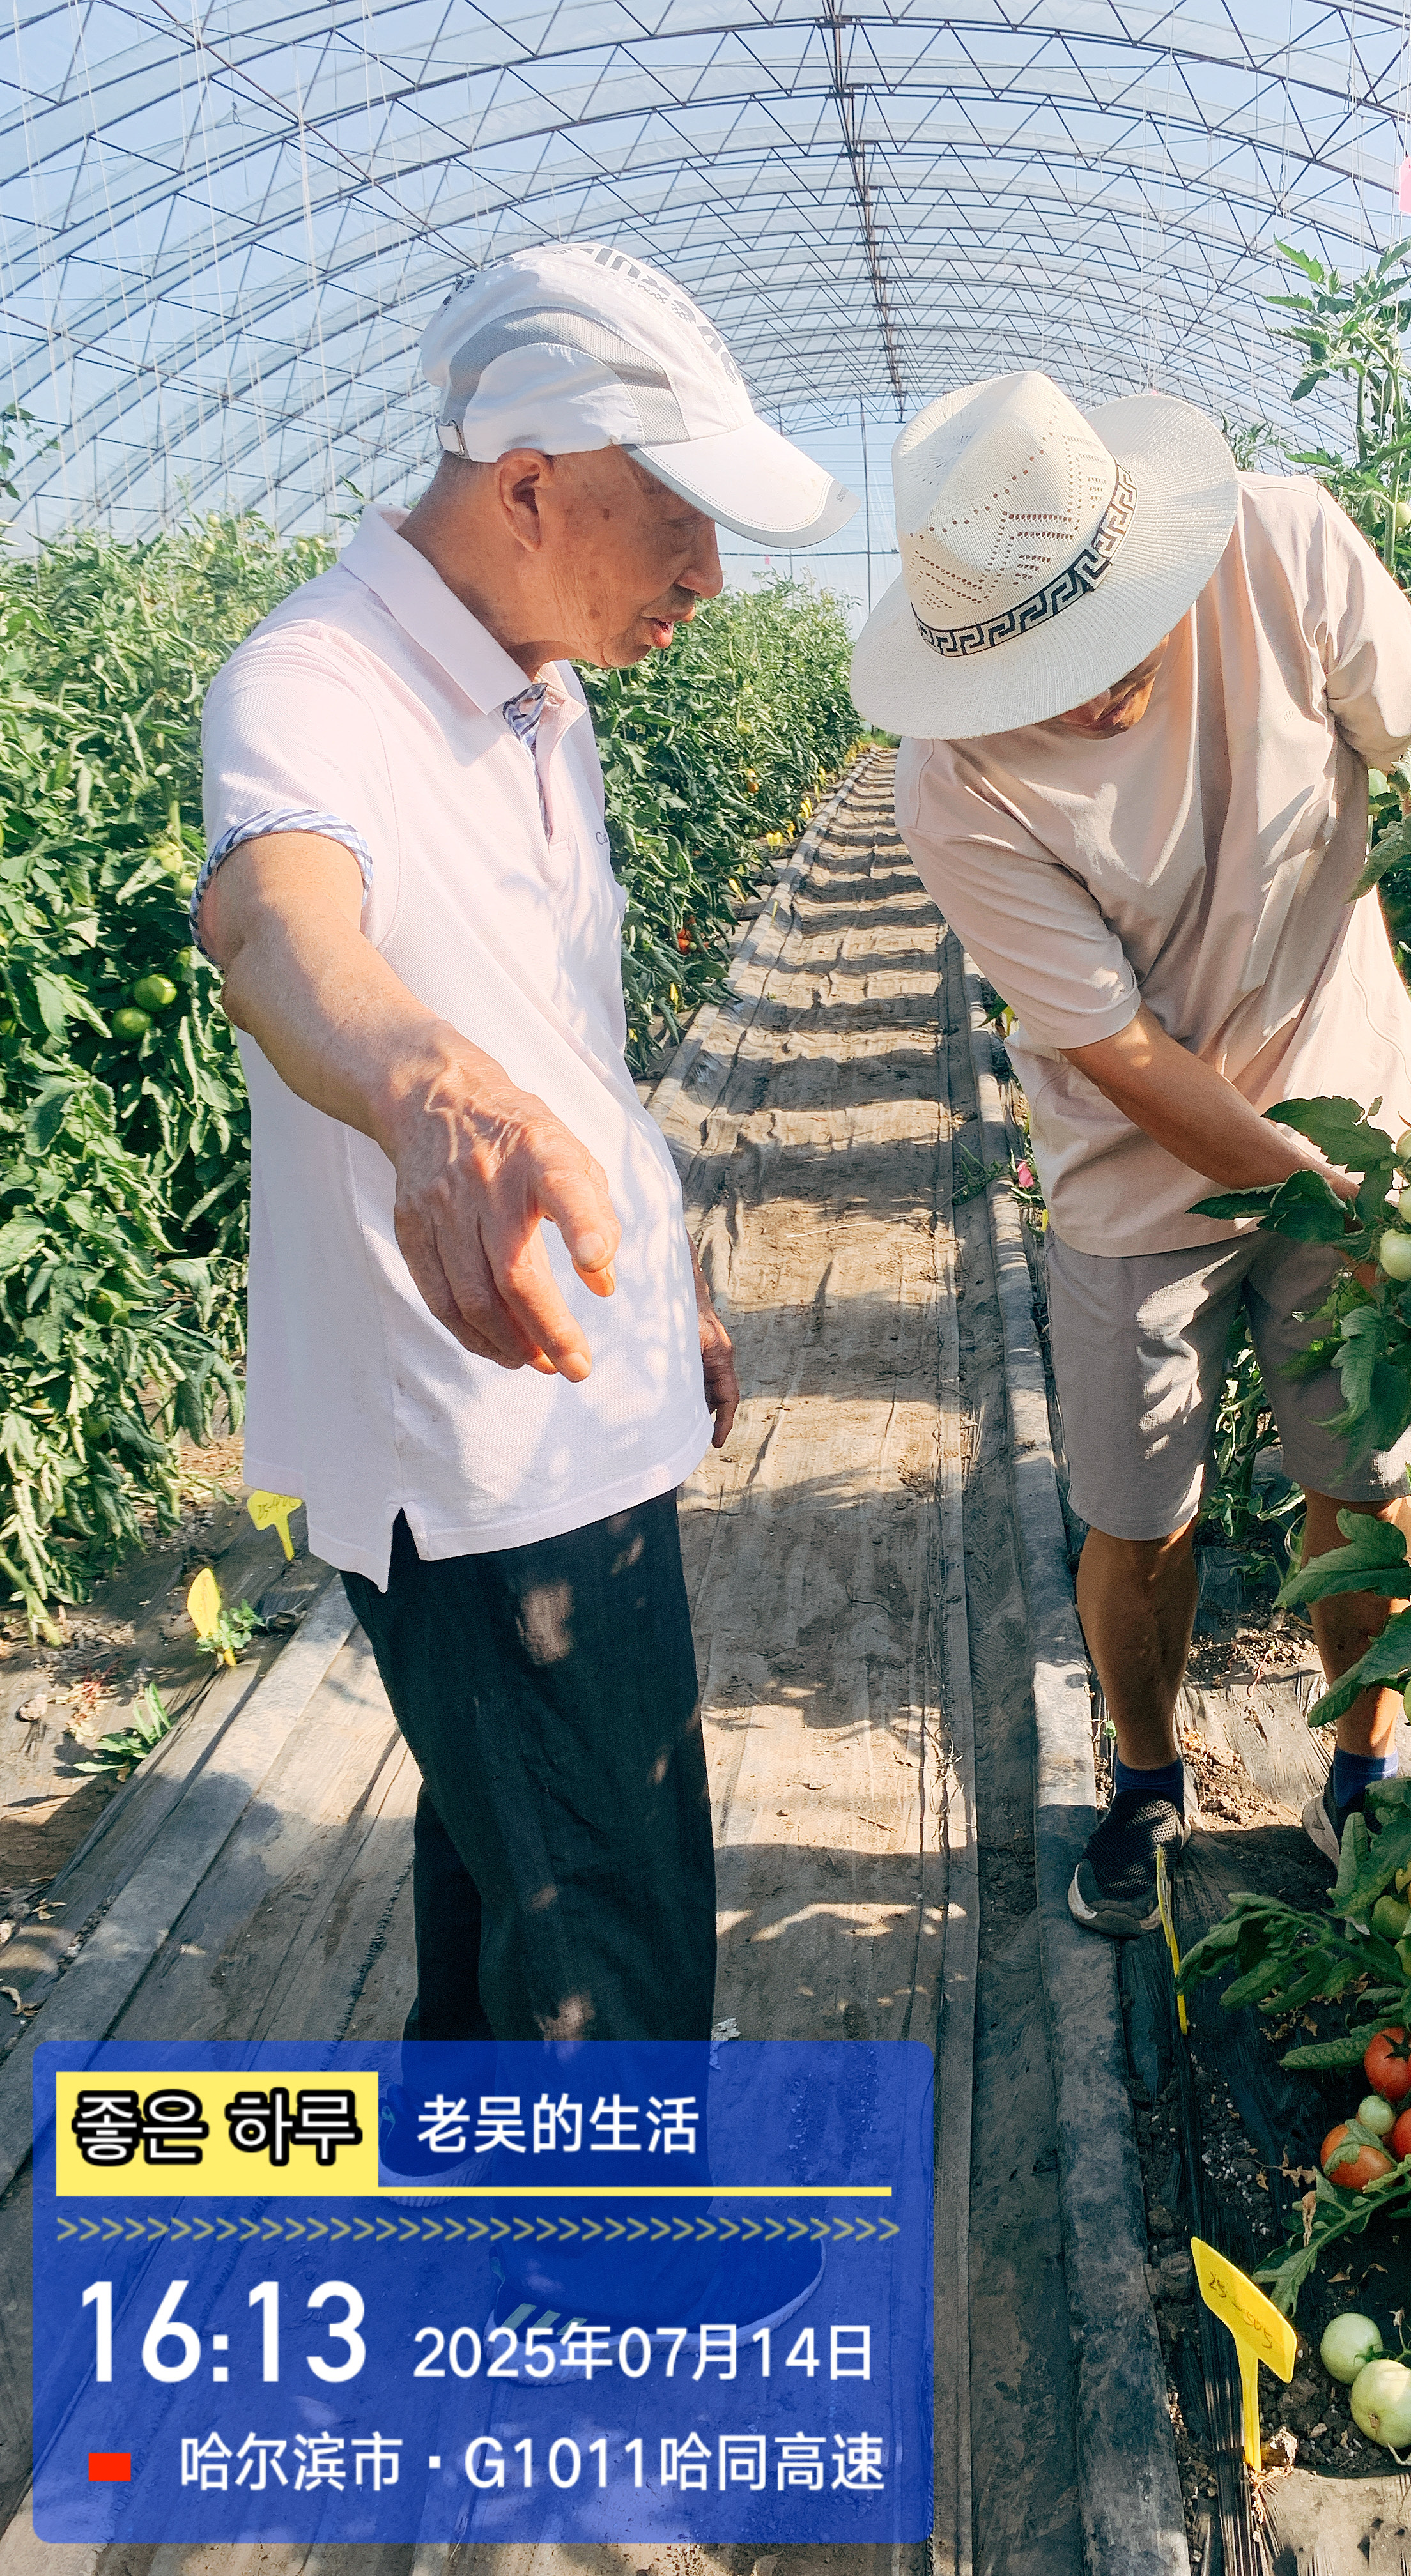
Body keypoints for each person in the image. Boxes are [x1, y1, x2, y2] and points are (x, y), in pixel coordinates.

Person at [196, 242, 855, 2041]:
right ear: (531, 486)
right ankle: (602, 2296)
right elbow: (277, 930)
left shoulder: (536, 691)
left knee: (510, 1865)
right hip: (483, 1438)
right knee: (611, 1916)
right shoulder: (315, 685)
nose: (712, 579)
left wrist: (674, 1296)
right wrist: (435, 1097)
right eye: (684, 526)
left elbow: (562, 1037)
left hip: (577, 1383)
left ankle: (474, 2223)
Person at [852, 370, 1411, 1938]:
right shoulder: (955, 783)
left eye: (1104, 643)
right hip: (1138, 1171)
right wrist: (1311, 1180)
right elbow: (1120, 1051)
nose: (1085, 695)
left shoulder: (1287, 548)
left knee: (1367, 1482)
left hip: (1362, 1099)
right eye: (1037, 674)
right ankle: (1142, 1776)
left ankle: (1360, 1774)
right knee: (1141, 1515)